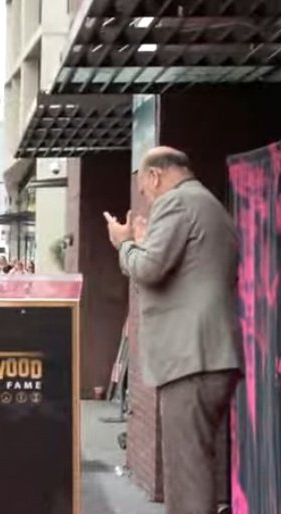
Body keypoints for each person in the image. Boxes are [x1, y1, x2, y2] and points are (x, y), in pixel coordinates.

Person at [103, 146, 243, 514]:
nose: (148, 200)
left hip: (189, 358)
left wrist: (125, 243)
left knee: (186, 473)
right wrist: (144, 245)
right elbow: (181, 272)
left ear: (154, 176)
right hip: (213, 355)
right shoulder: (211, 206)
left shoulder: (176, 203)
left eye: (145, 191)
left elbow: (149, 269)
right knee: (199, 462)